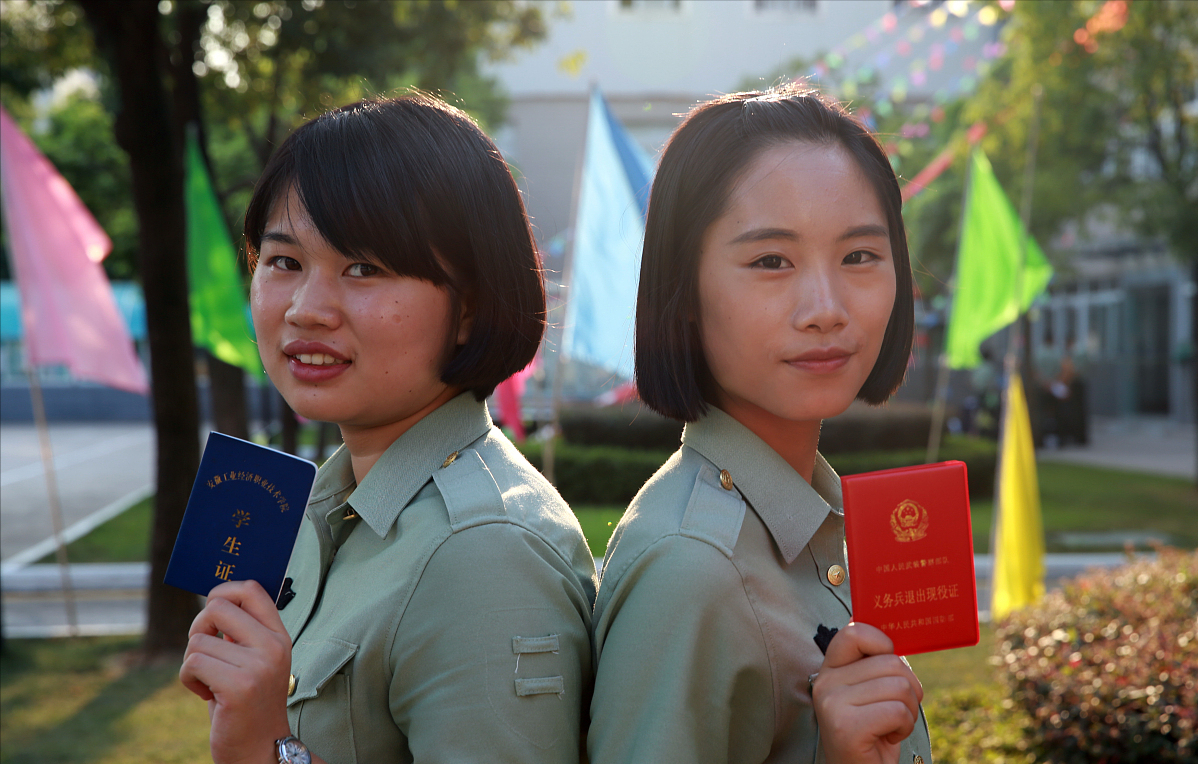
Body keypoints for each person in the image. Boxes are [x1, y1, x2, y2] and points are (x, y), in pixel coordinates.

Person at [179, 95, 596, 764]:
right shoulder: (329, 507)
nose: (307, 309)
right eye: (284, 262)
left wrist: (268, 750)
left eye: (364, 269)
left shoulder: (482, 553)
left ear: (472, 307)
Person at [589, 85, 932, 764]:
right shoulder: (694, 568)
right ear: (682, 291)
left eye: (859, 256)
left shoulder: (821, 521)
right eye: (771, 261)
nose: (826, 308)